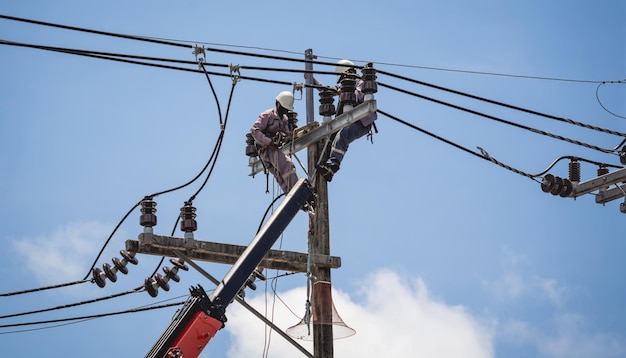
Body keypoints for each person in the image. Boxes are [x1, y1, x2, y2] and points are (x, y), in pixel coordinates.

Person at [314, 59, 378, 182]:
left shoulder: (360, 82)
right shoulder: (343, 85)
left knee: (343, 135)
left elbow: (359, 96)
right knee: (329, 139)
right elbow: (326, 91)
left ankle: (333, 165)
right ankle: (328, 169)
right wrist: (312, 79)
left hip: (362, 121)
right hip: (347, 120)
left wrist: (346, 91)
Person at [250, 91, 299, 193]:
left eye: (286, 110)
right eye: (283, 108)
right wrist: (269, 142)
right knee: (287, 165)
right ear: (277, 103)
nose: (284, 112)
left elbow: (285, 135)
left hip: (272, 150)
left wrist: (284, 137)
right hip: (266, 149)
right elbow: (255, 130)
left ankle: (291, 195)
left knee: (280, 175)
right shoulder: (267, 115)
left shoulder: (284, 119)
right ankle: (296, 190)